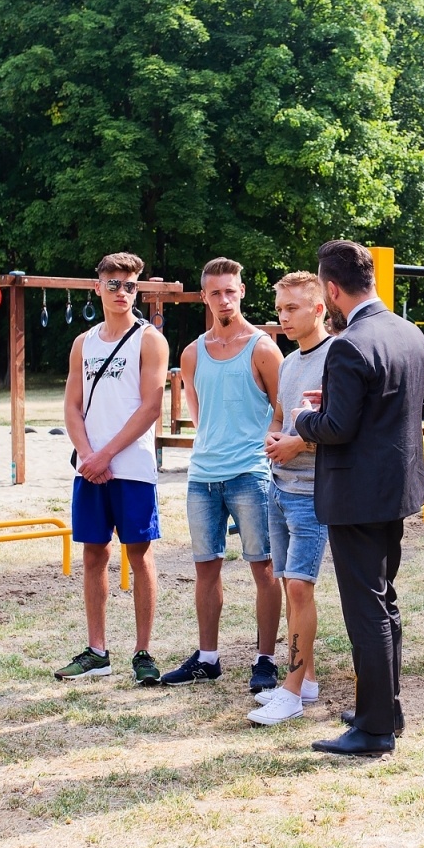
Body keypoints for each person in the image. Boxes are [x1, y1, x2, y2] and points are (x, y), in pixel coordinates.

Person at [294, 240, 424, 756]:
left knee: (366, 608)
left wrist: (306, 417)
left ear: (330, 290)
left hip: (356, 493)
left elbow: (335, 426)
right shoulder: (410, 333)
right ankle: (385, 707)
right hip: (396, 487)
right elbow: (417, 408)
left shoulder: (349, 345)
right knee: (384, 598)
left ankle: (375, 729)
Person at [159, 258, 285, 691]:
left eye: (230, 291)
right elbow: (199, 414)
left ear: (242, 292)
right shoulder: (192, 353)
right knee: (205, 568)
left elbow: (283, 411)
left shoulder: (264, 347)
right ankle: (207, 658)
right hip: (203, 476)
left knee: (263, 568)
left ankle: (265, 660)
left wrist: (264, 445)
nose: (224, 299)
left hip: (250, 474)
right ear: (205, 296)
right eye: (215, 292)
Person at [53, 253, 171, 685]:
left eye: (130, 286)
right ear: (97, 288)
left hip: (132, 466)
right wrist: (88, 454)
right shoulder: (84, 342)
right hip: (90, 468)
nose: (122, 292)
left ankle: (143, 651)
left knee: (138, 555)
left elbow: (151, 406)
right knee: (93, 555)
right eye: (114, 284)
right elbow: (71, 404)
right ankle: (97, 651)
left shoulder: (149, 339)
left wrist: (107, 455)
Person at [248, 272, 334, 726]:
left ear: (319, 308)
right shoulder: (289, 361)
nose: (282, 318)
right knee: (287, 582)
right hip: (278, 488)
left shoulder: (336, 356)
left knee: (300, 585)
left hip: (312, 494)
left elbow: (339, 424)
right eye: (280, 309)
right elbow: (282, 415)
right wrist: (274, 437)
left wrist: (297, 444)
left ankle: (293, 689)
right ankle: (309, 677)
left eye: (292, 309)